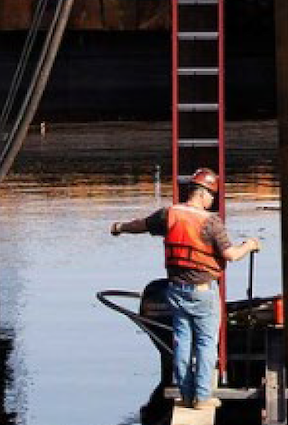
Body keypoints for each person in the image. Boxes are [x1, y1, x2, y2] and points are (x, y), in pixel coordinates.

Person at [109, 168, 260, 410]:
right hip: (203, 293)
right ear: (203, 194)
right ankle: (202, 398)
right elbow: (231, 255)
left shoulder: (169, 214)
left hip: (176, 290)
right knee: (205, 344)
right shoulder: (211, 222)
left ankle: (185, 394)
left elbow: (141, 225)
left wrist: (119, 227)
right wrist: (249, 245)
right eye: (212, 196)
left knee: (182, 342)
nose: (212, 201)